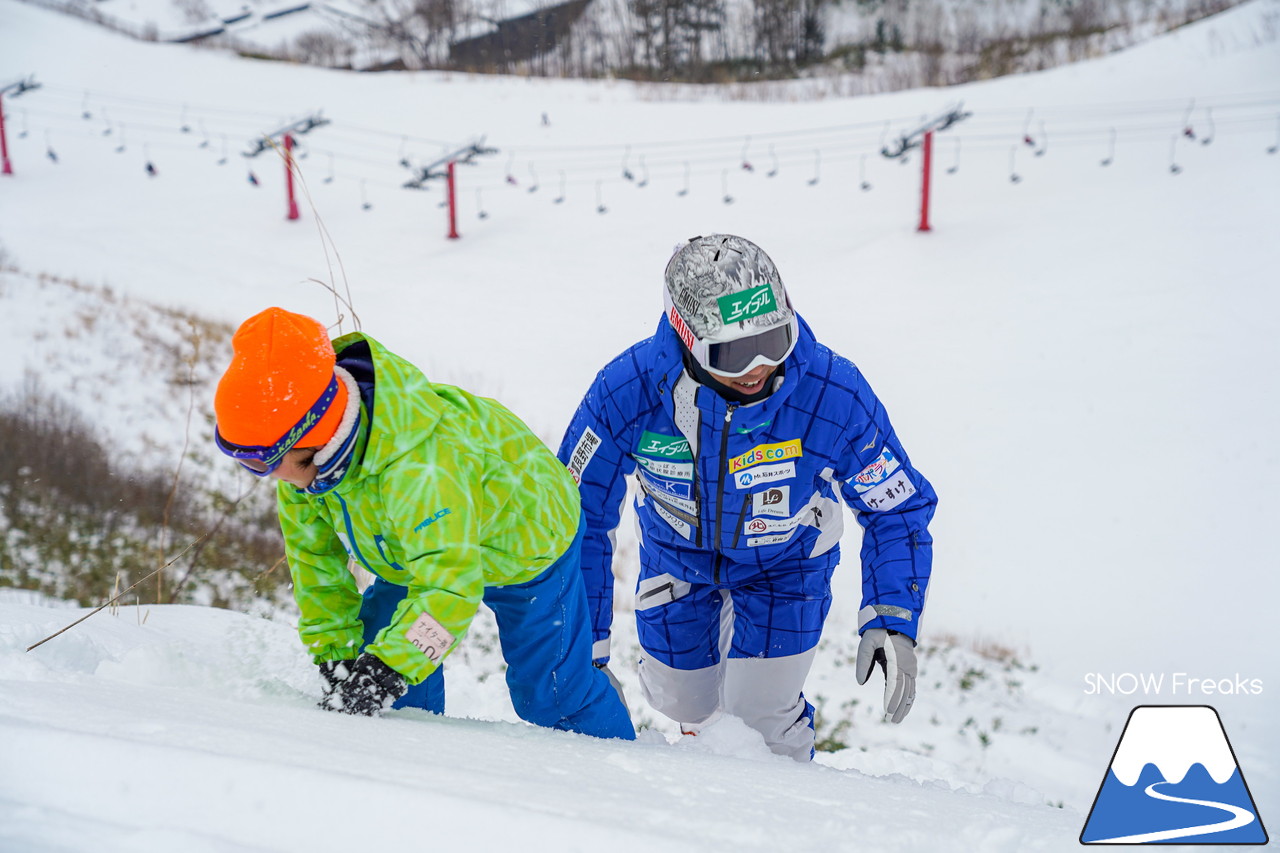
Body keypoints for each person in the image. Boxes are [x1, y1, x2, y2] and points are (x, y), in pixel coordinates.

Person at [557, 235, 937, 760]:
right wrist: (586, 652)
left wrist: (892, 616)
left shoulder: (833, 392)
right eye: (732, 354)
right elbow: (577, 516)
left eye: (775, 340)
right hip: (678, 564)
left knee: (761, 723)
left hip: (786, 568)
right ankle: (707, 736)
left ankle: (776, 798)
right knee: (681, 700)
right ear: (684, 336)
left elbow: (896, 507)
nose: (758, 366)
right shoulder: (629, 390)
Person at [213, 306, 634, 740]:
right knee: (377, 657)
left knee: (551, 695)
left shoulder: (420, 468)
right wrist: (333, 652)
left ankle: (618, 771)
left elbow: (451, 588)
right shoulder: (302, 477)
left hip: (525, 543)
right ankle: (411, 765)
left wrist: (388, 672)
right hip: (415, 554)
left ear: (314, 434)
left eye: (259, 460)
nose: (259, 473)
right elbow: (314, 561)